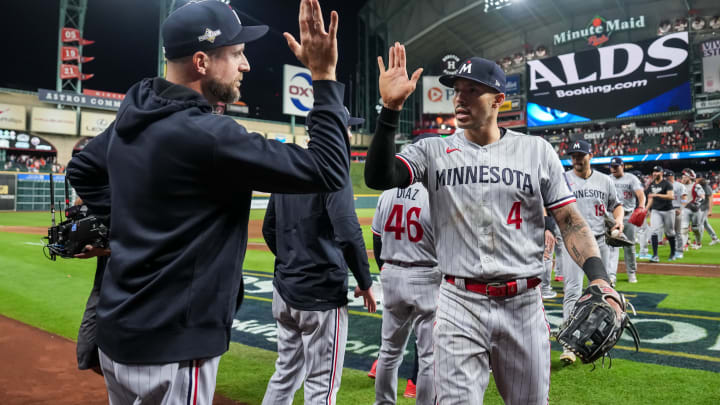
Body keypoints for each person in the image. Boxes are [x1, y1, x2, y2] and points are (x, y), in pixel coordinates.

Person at [66, 1, 352, 403]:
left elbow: (82, 169)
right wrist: (323, 77)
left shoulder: (135, 109)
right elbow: (328, 170)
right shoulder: (211, 136)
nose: (246, 65)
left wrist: (121, 224)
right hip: (175, 347)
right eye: (236, 54)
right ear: (201, 61)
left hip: (119, 336)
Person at [364, 45, 622, 404]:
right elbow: (379, 177)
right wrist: (390, 110)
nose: (460, 99)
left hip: (523, 303)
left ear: (499, 99)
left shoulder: (536, 151)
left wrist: (599, 277)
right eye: (457, 90)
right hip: (458, 302)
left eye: (472, 90)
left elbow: (568, 219)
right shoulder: (433, 151)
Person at [260, 114, 376, 405]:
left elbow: (268, 228)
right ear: (335, 132)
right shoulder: (333, 170)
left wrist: (293, 261)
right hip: (320, 297)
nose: (350, 136)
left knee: (285, 375)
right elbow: (348, 233)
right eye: (347, 129)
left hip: (284, 290)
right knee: (321, 388)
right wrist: (364, 281)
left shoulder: (289, 167)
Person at [371, 133, 441, 405]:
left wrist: (385, 270)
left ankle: (383, 403)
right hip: (427, 275)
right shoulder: (434, 192)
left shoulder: (388, 190)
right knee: (428, 356)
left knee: (388, 351)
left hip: (392, 272)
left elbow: (377, 239)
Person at [560, 140, 623, 363]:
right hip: (573, 243)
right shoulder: (563, 179)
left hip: (600, 242)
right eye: (573, 155)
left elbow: (616, 204)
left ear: (590, 155)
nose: (577, 158)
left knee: (603, 293)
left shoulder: (604, 180)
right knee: (573, 291)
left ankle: (595, 336)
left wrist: (618, 221)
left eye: (581, 154)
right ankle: (569, 345)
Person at [607, 157, 645, 283]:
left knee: (629, 245)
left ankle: (631, 272)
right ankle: (611, 275)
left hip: (628, 215)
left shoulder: (631, 178)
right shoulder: (608, 179)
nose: (613, 169)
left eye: (616, 167)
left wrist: (641, 207)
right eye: (612, 167)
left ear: (622, 166)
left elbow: (640, 194)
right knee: (612, 246)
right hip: (613, 216)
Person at [645, 166, 676, 262]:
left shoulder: (667, 184)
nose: (655, 173)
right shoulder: (652, 184)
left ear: (662, 173)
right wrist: (646, 209)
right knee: (654, 231)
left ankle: (673, 253)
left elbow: (671, 196)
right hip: (656, 210)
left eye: (657, 172)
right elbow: (650, 198)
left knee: (669, 232)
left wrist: (656, 194)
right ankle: (655, 255)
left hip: (668, 210)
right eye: (654, 172)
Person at [698, 175, 720, 247]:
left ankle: (698, 242)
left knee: (700, 224)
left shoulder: (706, 187)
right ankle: (715, 238)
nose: (696, 180)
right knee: (705, 224)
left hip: (704, 208)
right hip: (700, 207)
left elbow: (711, 199)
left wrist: (710, 210)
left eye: (697, 178)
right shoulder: (699, 186)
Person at [667, 170, 685, 257]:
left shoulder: (679, 185)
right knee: (669, 232)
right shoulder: (665, 185)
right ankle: (673, 250)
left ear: (672, 176)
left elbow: (684, 197)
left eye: (668, 176)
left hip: (677, 209)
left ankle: (680, 251)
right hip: (667, 210)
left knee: (677, 231)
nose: (666, 178)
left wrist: (681, 209)